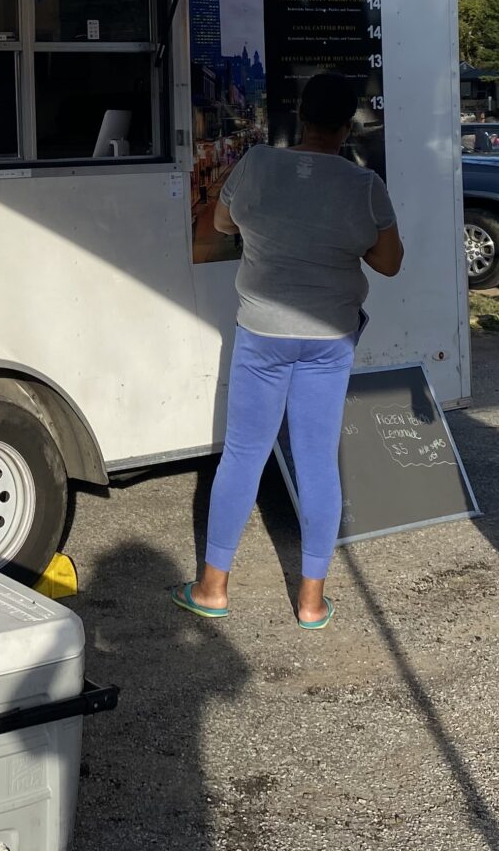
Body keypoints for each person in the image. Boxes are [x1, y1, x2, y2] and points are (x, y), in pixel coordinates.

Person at [173, 72, 403, 628]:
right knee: (317, 462)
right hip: (329, 337)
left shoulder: (256, 165)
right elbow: (390, 262)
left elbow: (222, 222)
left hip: (263, 334)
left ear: (299, 117)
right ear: (346, 125)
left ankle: (213, 588)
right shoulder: (363, 184)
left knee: (244, 454)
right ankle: (311, 601)